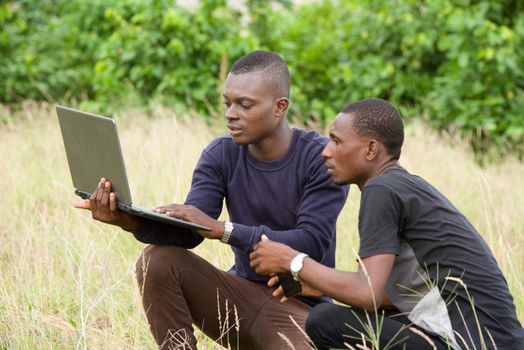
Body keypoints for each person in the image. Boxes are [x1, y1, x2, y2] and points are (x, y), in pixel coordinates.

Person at [74, 50, 348, 349]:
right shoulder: (221, 153)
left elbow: (311, 242)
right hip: (237, 298)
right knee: (158, 260)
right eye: (227, 103)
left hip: (300, 309)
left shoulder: (321, 157)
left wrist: (224, 230)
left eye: (245, 105)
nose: (231, 113)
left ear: (279, 107)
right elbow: (191, 232)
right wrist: (126, 220)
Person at [249, 98, 524, 349]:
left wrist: (293, 260)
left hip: (470, 344)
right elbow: (394, 297)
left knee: (325, 319)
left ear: (371, 149)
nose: (325, 151)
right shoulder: (404, 186)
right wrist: (316, 286)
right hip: (495, 341)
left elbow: (365, 292)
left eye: (336, 141)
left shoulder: (382, 190)